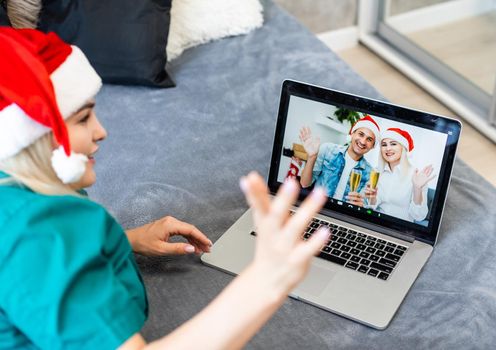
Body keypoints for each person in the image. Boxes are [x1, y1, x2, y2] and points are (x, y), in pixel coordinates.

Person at [0, 28, 329, 349]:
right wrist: (267, 280)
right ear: (33, 136)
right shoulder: (41, 233)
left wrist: (124, 241)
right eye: (83, 119)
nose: (100, 132)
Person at [298, 115, 380, 207]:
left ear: (373, 146)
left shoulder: (370, 173)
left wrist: (361, 205)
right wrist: (312, 157)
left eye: (369, 139)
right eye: (361, 134)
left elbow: (364, 204)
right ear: (352, 134)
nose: (363, 141)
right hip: (315, 207)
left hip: (344, 215)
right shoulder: (327, 149)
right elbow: (304, 183)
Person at [365, 128, 435, 223]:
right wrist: (372, 198)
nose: (388, 148)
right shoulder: (377, 172)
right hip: (376, 222)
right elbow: (371, 206)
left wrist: (417, 188)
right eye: (384, 145)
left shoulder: (416, 175)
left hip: (400, 229)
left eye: (393, 144)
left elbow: (418, 216)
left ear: (403, 147)